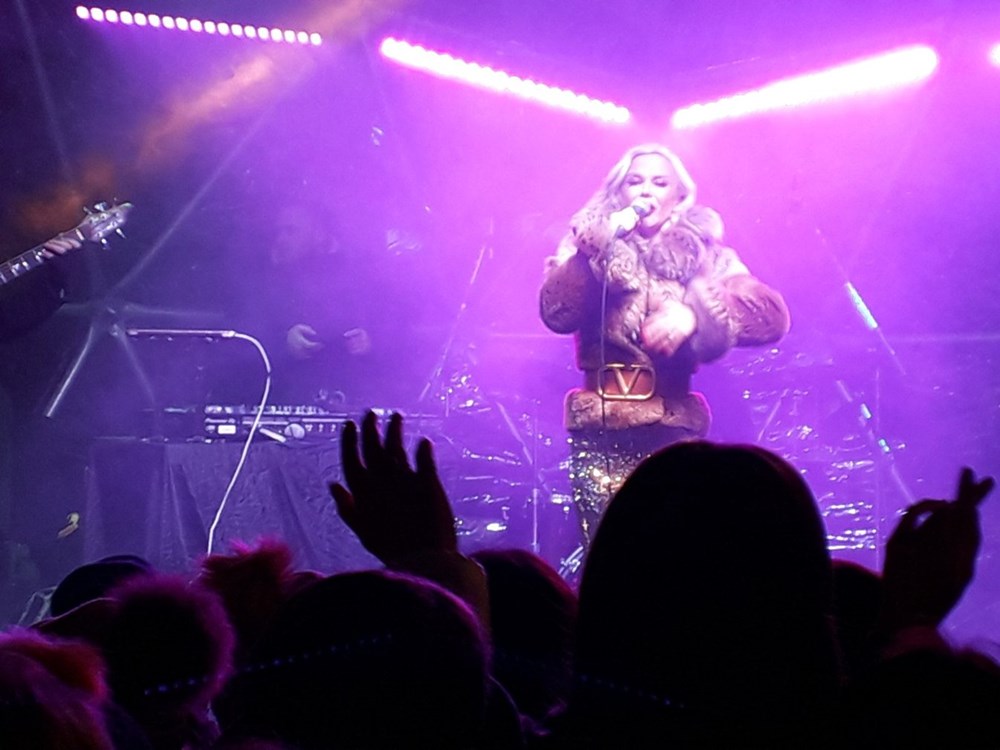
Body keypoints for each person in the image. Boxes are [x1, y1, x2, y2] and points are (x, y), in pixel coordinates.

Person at [539, 144, 790, 547]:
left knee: (671, 549)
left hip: (672, 427)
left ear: (678, 195)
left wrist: (696, 315)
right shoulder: (585, 246)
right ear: (618, 191)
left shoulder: (705, 253)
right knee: (607, 550)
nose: (646, 191)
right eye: (634, 182)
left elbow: (771, 318)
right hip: (601, 430)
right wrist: (593, 249)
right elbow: (556, 313)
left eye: (659, 183)